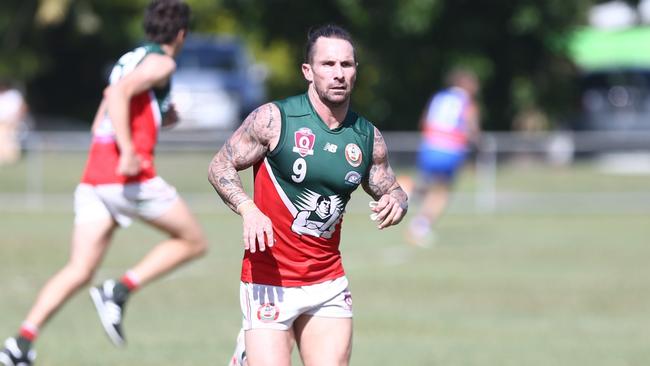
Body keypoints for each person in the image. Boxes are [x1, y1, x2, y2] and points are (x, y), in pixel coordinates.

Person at [0, 1, 207, 365]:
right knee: (193, 241)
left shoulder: (132, 57)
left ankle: (20, 344)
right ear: (181, 34)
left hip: (96, 174)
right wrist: (128, 150)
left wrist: (158, 117)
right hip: (127, 175)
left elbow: (103, 118)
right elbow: (118, 95)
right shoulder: (162, 62)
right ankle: (119, 289)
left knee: (79, 269)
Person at [208, 24, 408, 366]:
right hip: (268, 280)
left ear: (355, 71)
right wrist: (248, 208)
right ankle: (247, 351)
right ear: (308, 71)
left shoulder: (366, 137)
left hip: (326, 282)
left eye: (346, 65)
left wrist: (398, 202)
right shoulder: (275, 119)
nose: (338, 74)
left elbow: (391, 188)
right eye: (328, 65)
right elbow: (220, 167)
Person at [406, 67, 481, 247]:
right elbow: (471, 128)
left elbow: (424, 121)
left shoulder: (438, 97)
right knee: (443, 191)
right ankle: (420, 226)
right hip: (451, 149)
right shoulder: (467, 102)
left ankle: (407, 189)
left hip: (429, 146)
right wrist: (478, 143)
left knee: (429, 186)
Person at [0, 80, 28, 165]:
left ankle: (11, 159)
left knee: (10, 140)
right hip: (3, 122)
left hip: (12, 122)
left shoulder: (13, 95)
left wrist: (17, 118)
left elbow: (23, 107)